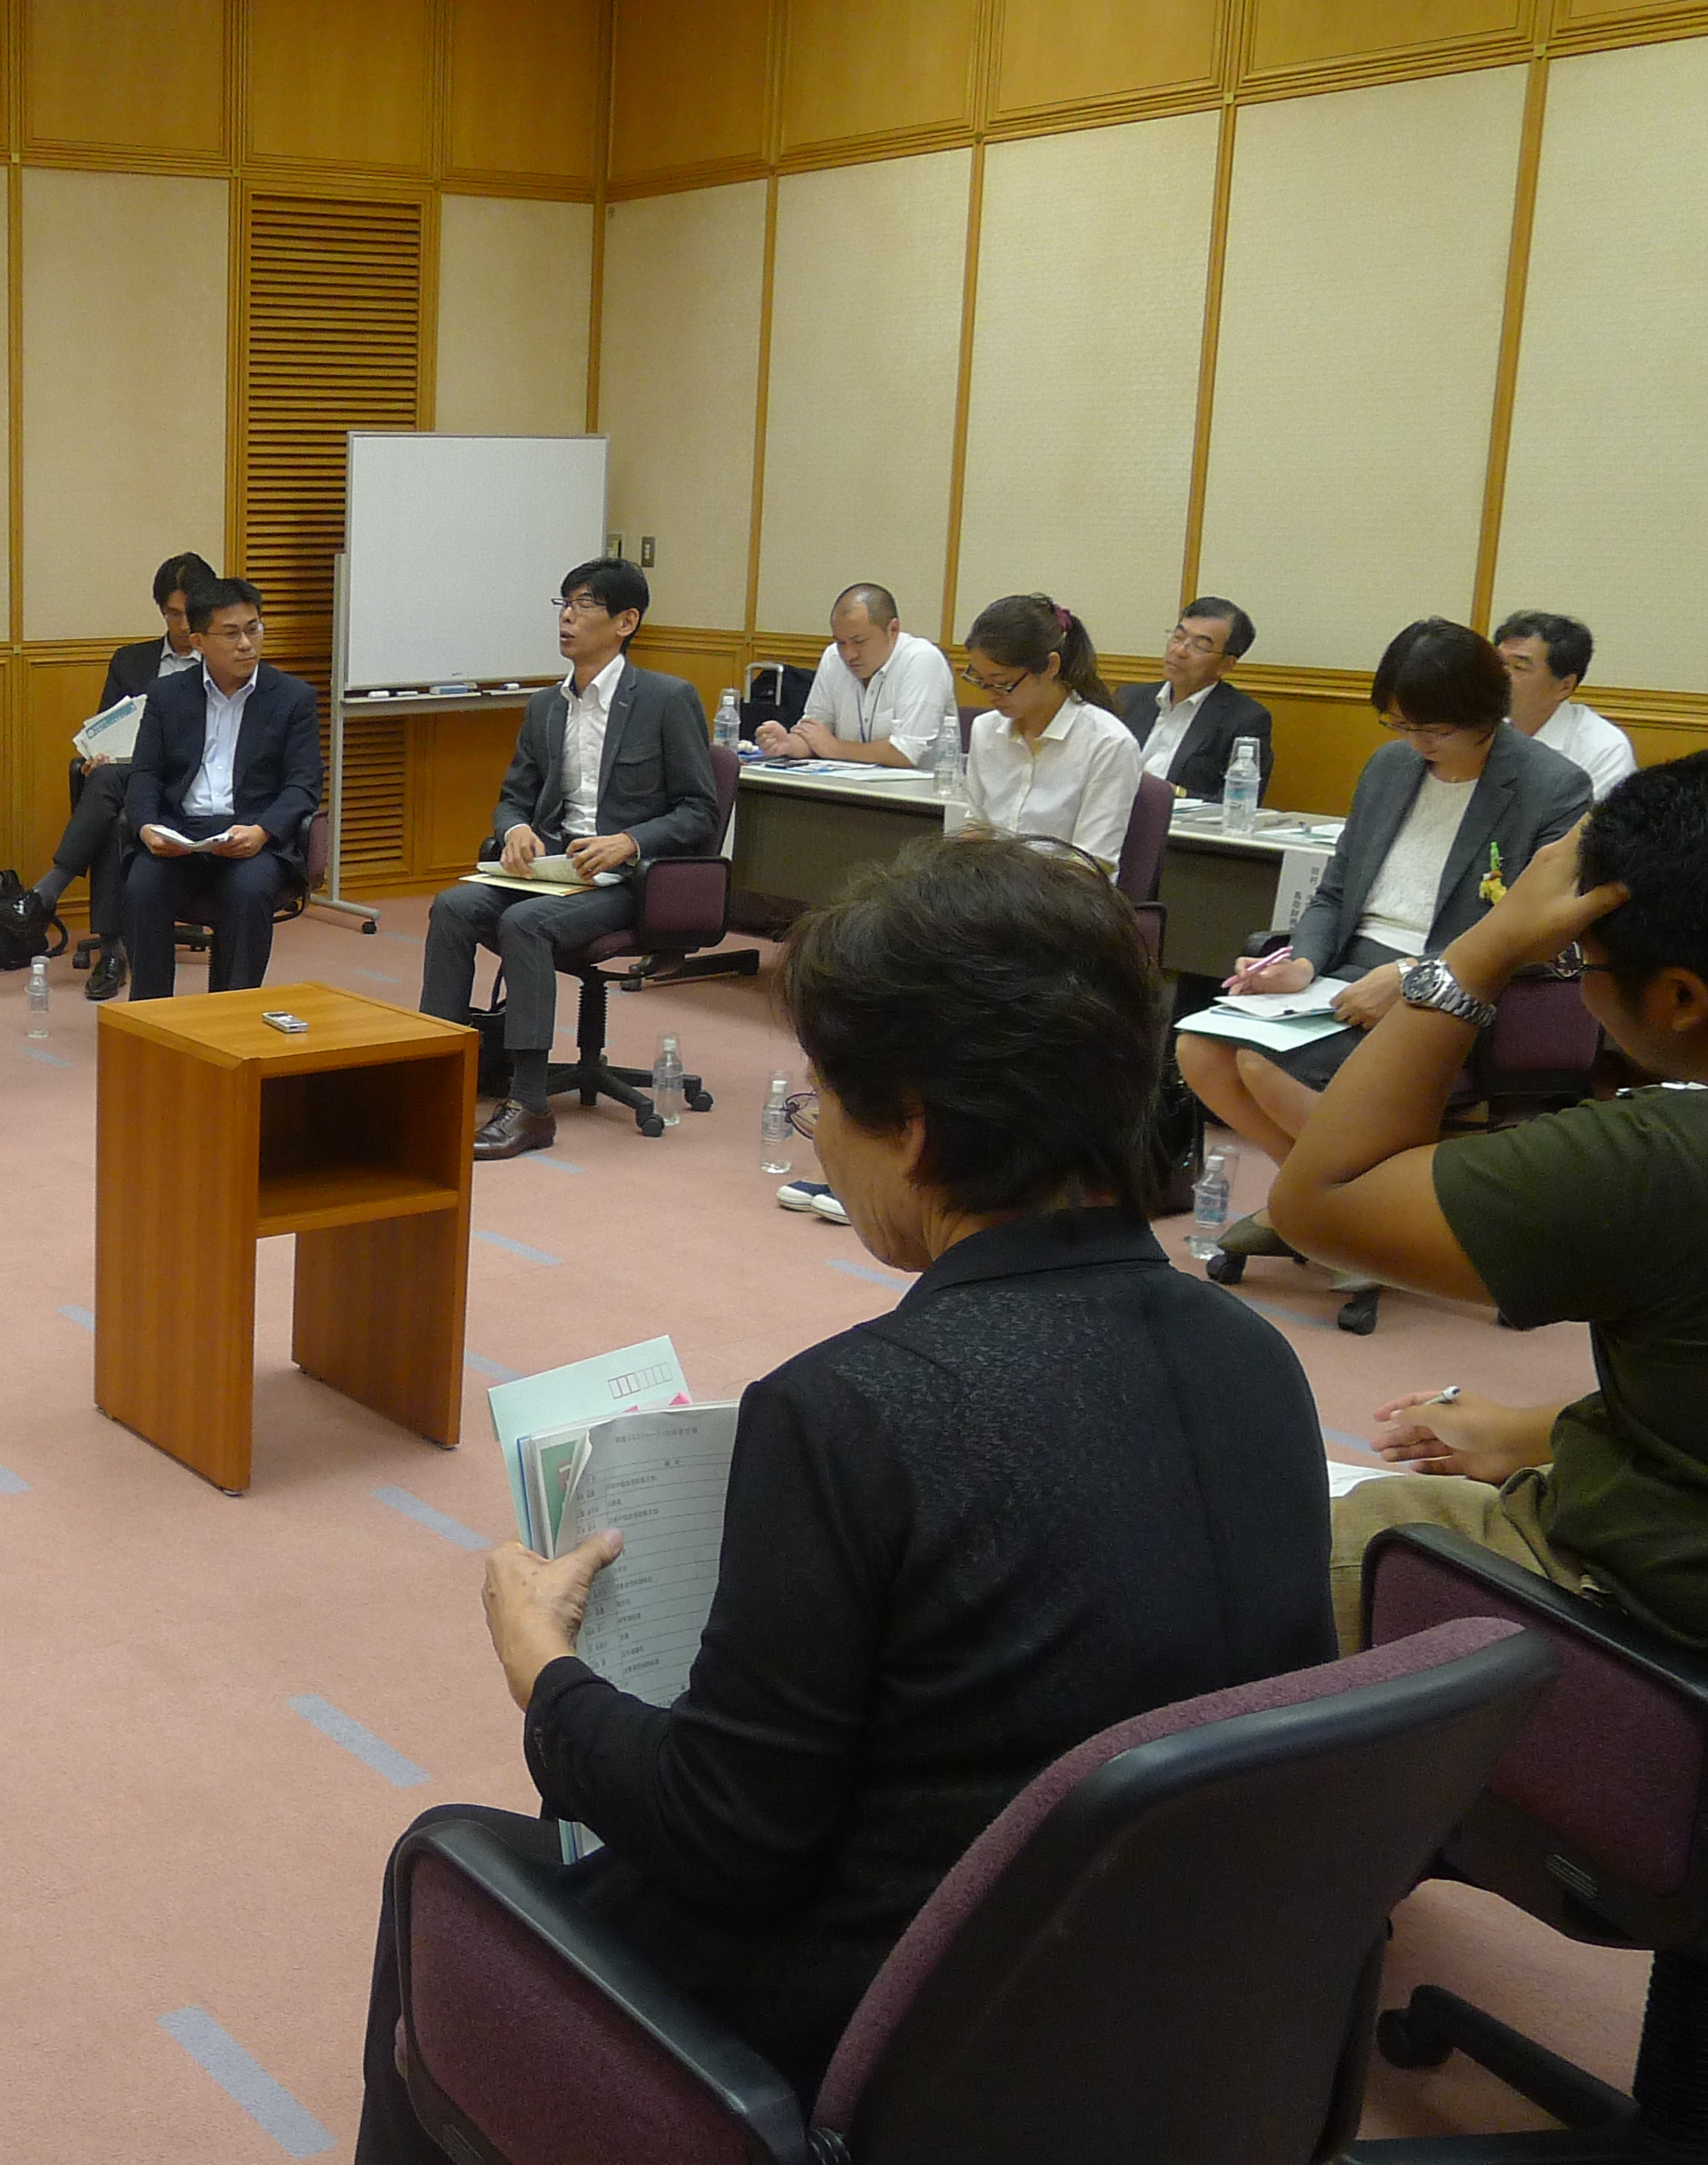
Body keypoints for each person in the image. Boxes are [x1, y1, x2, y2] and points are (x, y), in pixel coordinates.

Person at [357, 839, 1332, 2151]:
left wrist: (547, 1674)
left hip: (892, 2045)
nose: (810, 1119)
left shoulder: (853, 1410)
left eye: (820, 1091)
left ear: (915, 1125)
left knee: (451, 1864)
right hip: (1165, 2014)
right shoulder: (1252, 1358)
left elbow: (727, 1837)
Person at [1275, 762, 1708, 1650]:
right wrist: (1547, 1431)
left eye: (1580, 961)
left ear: (1680, 998)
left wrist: (1490, 944)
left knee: (1220, 1550)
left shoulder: (1661, 1163)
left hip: (1631, 1622)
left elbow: (1320, 1199)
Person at [1177, 619, 1593, 1195]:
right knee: (1198, 1048)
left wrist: (1409, 977)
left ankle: (1336, 1208)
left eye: (1436, 730)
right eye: (1400, 724)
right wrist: (1301, 964)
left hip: (1452, 989)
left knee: (1259, 1063)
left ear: (1487, 711)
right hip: (1346, 976)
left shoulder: (1552, 786)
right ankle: (1324, 1207)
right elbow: (1335, 891)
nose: (1417, 743)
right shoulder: (1389, 767)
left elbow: (1537, 932)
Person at [418, 558, 721, 1160]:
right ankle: (436, 1074)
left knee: (523, 924)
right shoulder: (546, 706)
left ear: (626, 621)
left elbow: (700, 812)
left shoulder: (666, 700)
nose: (567, 616)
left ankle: (529, 1105)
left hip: (624, 880)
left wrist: (630, 841)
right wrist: (517, 830)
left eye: (584, 604)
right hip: (553, 872)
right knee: (453, 906)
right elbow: (511, 798)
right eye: (563, 602)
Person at [115, 576, 322, 1002]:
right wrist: (147, 827)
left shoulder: (292, 698)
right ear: (198, 641)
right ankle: (152, 1017)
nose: (246, 643)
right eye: (231, 633)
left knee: (247, 892)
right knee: (142, 887)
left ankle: (232, 1015)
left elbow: (303, 785)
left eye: (254, 628)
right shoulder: (167, 694)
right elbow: (145, 773)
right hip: (180, 831)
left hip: (251, 835)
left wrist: (263, 831)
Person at [31, 550, 214, 1002]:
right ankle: (112, 952)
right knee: (115, 805)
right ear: (160, 611)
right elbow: (103, 728)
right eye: (173, 615)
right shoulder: (131, 662)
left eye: (191, 615)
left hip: (190, 786)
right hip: (136, 784)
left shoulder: (221, 666)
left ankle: (48, 891)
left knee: (116, 788)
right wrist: (99, 757)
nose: (182, 625)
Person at [957, 593, 1142, 871]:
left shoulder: (1108, 743)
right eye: (980, 681)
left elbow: (1091, 864)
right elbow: (979, 828)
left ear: (1050, 666)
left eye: (1002, 683)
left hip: (1065, 900)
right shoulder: (986, 729)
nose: (991, 695)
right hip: (994, 894)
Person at [750, 581, 953, 767]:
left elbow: (907, 752)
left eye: (859, 641)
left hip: (918, 799)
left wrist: (834, 748)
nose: (849, 654)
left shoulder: (922, 660)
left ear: (893, 629)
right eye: (840, 642)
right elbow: (815, 734)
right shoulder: (833, 657)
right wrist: (789, 743)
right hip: (848, 791)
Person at [1118, 595, 1278, 801]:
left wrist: (1164, 792)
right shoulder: (1128, 698)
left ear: (1226, 665)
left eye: (1200, 646)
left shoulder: (1246, 719)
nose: (1180, 651)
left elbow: (1237, 803)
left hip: (1177, 829)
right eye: (1177, 637)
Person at [1496, 608, 1638, 800]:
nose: (1500, 676)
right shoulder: (1478, 727)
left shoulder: (1604, 749)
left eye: (1519, 667)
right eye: (1498, 663)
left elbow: (1594, 827)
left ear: (1564, 687)